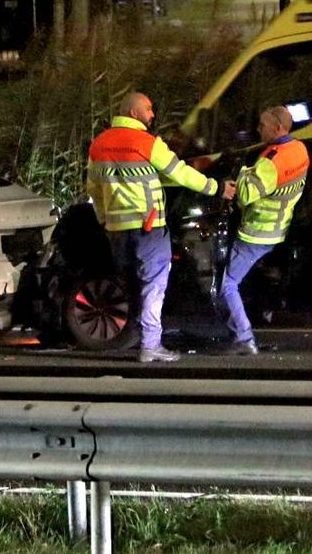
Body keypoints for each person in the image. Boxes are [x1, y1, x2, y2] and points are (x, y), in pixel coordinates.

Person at [86, 92, 236, 363]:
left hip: (117, 229)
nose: (152, 114)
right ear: (134, 113)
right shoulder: (146, 142)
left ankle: (136, 335)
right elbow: (180, 173)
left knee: (131, 286)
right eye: (148, 109)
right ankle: (151, 345)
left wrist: (103, 220)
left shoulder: (99, 144)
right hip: (148, 227)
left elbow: (95, 188)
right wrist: (216, 188)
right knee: (153, 286)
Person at [214, 105, 310, 355]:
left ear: (277, 128)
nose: (258, 129)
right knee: (247, 281)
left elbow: (245, 196)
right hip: (278, 230)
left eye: (262, 125)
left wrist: (245, 171)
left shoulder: (271, 162)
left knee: (227, 284)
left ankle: (244, 340)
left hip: (256, 232)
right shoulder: (299, 150)